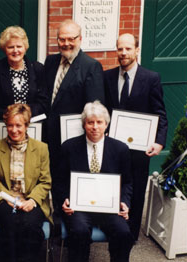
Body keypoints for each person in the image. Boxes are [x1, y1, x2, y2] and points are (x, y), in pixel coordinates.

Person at [104, 33, 168, 241]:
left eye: (128, 49)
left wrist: (159, 141)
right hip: (113, 146)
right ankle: (112, 228)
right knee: (113, 186)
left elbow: (160, 113)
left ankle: (130, 235)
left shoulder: (151, 78)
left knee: (137, 188)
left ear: (137, 50)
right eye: (120, 49)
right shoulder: (108, 76)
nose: (123, 53)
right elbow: (104, 109)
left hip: (139, 148)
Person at [55, 101, 134, 262]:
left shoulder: (120, 149)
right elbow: (59, 181)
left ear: (106, 124)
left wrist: (124, 202)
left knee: (123, 233)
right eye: (90, 122)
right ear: (84, 124)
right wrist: (64, 199)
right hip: (79, 207)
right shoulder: (69, 147)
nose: (95, 127)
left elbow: (127, 182)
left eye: (99, 122)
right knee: (79, 231)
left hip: (108, 206)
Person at [44, 19, 104, 199]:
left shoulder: (91, 66)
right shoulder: (50, 61)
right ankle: (54, 221)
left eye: (71, 39)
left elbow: (94, 107)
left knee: (68, 183)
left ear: (80, 39)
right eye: (62, 39)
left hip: (73, 137)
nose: (66, 43)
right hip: (49, 135)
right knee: (51, 179)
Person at [0, 104, 52, 262]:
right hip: (4, 201)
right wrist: (10, 199)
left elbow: (45, 181)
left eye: (18, 125)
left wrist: (33, 200)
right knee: (11, 226)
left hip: (31, 200)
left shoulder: (41, 148)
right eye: (10, 125)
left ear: (27, 125)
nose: (14, 130)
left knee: (30, 228)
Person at [0, 26, 48, 141]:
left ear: (25, 48)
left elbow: (43, 101)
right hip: (3, 128)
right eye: (10, 47)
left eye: (19, 46)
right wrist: (9, 115)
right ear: (4, 49)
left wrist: (25, 115)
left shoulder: (38, 69)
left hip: (32, 127)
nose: (15, 50)